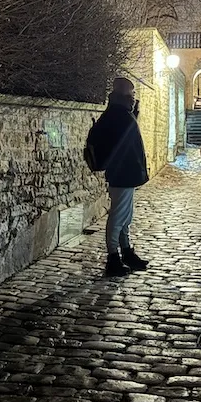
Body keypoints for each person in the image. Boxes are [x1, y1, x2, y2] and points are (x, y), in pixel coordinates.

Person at [86, 77, 150, 277]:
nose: (134, 98)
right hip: (122, 174)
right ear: (123, 95)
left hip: (125, 174)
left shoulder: (118, 113)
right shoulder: (117, 115)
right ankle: (113, 257)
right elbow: (121, 145)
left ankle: (127, 252)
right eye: (131, 94)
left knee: (125, 217)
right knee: (118, 217)